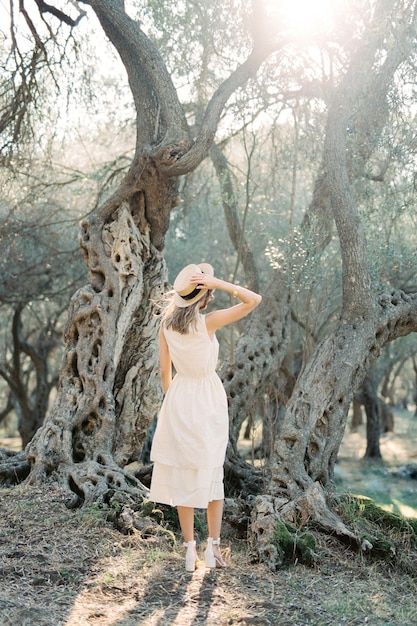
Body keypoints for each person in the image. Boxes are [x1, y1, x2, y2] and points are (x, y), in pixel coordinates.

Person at [148, 262, 262, 572]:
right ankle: (213, 549)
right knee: (212, 472)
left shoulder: (166, 325)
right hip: (207, 398)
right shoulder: (207, 322)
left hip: (179, 397)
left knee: (184, 472)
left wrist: (174, 402)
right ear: (204, 295)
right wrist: (219, 281)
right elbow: (253, 300)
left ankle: (189, 551)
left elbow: (163, 371)